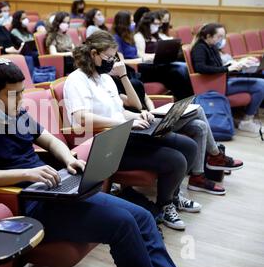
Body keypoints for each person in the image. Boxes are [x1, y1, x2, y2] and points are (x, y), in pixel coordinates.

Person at [0, 56, 177, 267]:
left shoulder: (17, 114)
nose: (21, 102)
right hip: (28, 203)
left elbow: (50, 141)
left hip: (53, 189)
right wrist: (28, 174)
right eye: (14, 95)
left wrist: (69, 159)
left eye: (22, 93)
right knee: (123, 223)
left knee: (143, 217)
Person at [63, 30, 201, 231]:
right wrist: (125, 124)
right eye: (109, 57)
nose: (112, 62)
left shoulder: (105, 78)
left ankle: (174, 196)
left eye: (114, 57)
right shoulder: (76, 80)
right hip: (106, 144)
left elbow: (120, 111)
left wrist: (138, 116)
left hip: (127, 134)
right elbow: (81, 118)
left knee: (188, 146)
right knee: (176, 159)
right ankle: (165, 206)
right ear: (93, 54)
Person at [113, 69, 244, 195]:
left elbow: (146, 98)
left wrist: (151, 111)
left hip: (151, 117)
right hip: (141, 126)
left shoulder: (127, 73)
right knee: (197, 110)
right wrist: (123, 76)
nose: (115, 61)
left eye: (115, 57)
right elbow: (135, 105)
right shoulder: (112, 82)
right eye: (110, 57)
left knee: (200, 126)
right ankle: (215, 155)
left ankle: (197, 178)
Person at [191, 23, 264, 135]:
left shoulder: (212, 46)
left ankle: (246, 118)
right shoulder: (199, 48)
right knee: (260, 85)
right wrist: (228, 68)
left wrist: (236, 64)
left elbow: (218, 66)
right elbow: (201, 68)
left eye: (223, 36)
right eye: (219, 36)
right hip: (213, 85)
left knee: (260, 84)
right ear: (208, 36)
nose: (222, 40)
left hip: (221, 80)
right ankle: (246, 121)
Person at [134, 11, 194, 100]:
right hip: (147, 66)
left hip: (162, 64)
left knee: (184, 67)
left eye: (159, 24)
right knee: (177, 71)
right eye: (155, 24)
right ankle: (184, 99)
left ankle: (190, 97)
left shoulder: (157, 35)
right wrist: (155, 55)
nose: (157, 27)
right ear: (147, 23)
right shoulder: (139, 36)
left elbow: (169, 41)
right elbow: (140, 54)